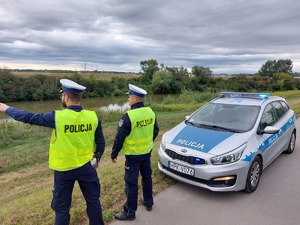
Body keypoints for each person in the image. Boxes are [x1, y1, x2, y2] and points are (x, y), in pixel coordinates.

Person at [0, 79, 105, 225]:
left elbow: (29, 117)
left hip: (64, 171)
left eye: (62, 96)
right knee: (94, 202)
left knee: (62, 210)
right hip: (87, 167)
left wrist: (6, 109)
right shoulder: (93, 117)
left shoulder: (57, 117)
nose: (62, 98)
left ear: (66, 97)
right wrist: (96, 159)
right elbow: (101, 143)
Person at [111, 84, 159, 221]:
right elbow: (155, 131)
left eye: (129, 96)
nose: (128, 98)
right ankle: (148, 202)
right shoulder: (151, 112)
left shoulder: (128, 116)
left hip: (133, 156)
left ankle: (129, 212)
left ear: (136, 98)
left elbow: (119, 138)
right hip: (146, 152)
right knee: (146, 177)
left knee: (131, 182)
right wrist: (147, 143)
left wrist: (114, 154)